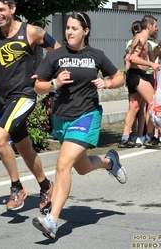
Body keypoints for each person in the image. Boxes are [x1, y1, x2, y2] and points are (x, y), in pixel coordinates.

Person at [30, 12, 127, 239]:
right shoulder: (56, 56)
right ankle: (109, 161)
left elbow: (119, 76)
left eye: (74, 28)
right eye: (67, 28)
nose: (69, 32)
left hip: (87, 115)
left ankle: (52, 221)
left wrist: (108, 83)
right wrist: (54, 83)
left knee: (63, 164)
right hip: (62, 118)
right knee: (81, 168)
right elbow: (38, 86)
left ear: (86, 30)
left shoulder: (96, 55)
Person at [0, 0, 61, 212]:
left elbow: (58, 51)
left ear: (12, 9)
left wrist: (47, 76)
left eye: (1, 10)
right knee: (25, 148)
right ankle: (46, 186)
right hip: (3, 98)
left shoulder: (32, 31)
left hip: (24, 95)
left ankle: (17, 187)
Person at [120, 15, 161, 148]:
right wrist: (151, 65)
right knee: (154, 103)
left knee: (133, 108)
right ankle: (150, 137)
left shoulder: (138, 38)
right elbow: (133, 58)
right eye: (155, 26)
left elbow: (129, 57)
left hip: (133, 75)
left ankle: (124, 138)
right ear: (149, 26)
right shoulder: (141, 38)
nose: (156, 29)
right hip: (138, 75)